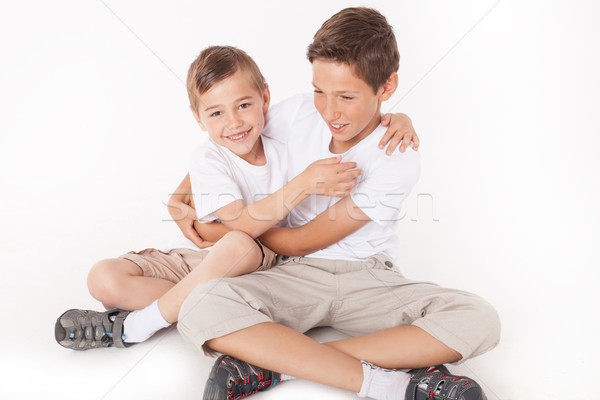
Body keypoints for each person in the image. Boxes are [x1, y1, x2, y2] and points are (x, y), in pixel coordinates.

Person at [172, 7, 500, 400]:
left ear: (386, 86)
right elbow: (232, 139)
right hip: (291, 275)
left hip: (369, 278)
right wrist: (181, 196)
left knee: (479, 319)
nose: (329, 111)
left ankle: (275, 366)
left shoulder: (396, 156)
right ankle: (386, 372)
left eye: (346, 96)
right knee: (199, 304)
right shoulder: (296, 113)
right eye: (319, 91)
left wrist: (233, 228)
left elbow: (301, 241)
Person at [54, 46, 417, 349]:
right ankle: (201, 304)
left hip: (266, 260)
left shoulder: (282, 132)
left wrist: (397, 117)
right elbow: (241, 222)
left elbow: (362, 119)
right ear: (198, 119)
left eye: (244, 106)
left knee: (237, 246)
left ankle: (136, 327)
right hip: (224, 260)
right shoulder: (209, 157)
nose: (234, 122)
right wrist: (303, 184)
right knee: (104, 279)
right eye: (215, 113)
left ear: (265, 100)